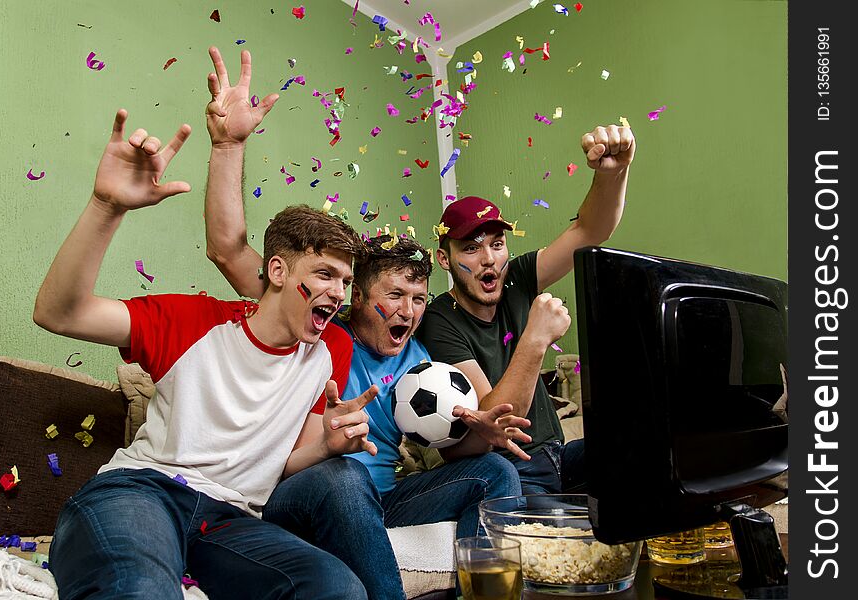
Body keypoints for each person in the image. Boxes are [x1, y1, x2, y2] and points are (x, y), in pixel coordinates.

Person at [32, 107, 396, 599]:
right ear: (279, 271)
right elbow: (60, 313)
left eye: (346, 281)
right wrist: (106, 205)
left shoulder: (331, 347)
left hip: (230, 520)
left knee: (337, 589)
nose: (339, 292)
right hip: (142, 492)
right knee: (141, 589)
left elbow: (284, 464)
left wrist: (328, 448)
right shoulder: (193, 322)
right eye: (326, 275)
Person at [201, 46, 527, 551]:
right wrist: (228, 147)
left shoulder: (423, 361)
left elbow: (460, 444)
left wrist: (479, 430)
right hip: (309, 496)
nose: (409, 311)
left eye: (419, 298)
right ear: (354, 298)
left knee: (496, 472)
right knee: (344, 481)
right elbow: (228, 250)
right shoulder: (317, 328)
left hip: (386, 501)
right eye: (394, 294)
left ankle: (477, 582)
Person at [416, 125, 636, 495]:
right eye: (471, 248)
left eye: (497, 244)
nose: (489, 260)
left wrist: (612, 173)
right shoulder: (440, 320)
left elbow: (590, 230)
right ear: (445, 259)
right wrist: (536, 338)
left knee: (640, 450)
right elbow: (498, 419)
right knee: (557, 541)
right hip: (512, 468)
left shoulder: (516, 278)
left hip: (558, 456)